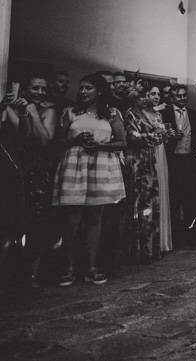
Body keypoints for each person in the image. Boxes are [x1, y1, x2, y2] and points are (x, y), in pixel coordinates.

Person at [52, 73, 127, 286]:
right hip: (75, 164)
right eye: (81, 88)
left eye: (88, 88)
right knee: (72, 218)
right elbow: (57, 142)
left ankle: (91, 267)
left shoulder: (112, 114)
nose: (83, 91)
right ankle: (68, 268)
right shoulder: (70, 112)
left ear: (100, 91)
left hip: (102, 164)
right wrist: (74, 140)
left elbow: (122, 142)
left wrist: (100, 145)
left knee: (96, 217)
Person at [2, 76, 58, 288]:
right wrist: (18, 110)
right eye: (35, 87)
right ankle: (10, 275)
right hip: (13, 169)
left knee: (37, 223)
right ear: (25, 89)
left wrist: (34, 112)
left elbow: (43, 141)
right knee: (12, 221)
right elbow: (21, 137)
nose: (40, 92)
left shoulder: (49, 111)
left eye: (44, 88)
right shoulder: (12, 108)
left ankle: (32, 276)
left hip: (38, 172)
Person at [123, 83, 164, 263]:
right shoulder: (128, 114)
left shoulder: (147, 114)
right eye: (142, 96)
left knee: (150, 201)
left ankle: (150, 248)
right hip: (135, 161)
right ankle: (136, 250)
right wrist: (151, 137)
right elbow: (132, 136)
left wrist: (160, 135)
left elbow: (155, 136)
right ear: (134, 98)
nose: (146, 99)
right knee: (138, 201)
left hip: (149, 159)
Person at [162, 84, 196, 244]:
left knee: (191, 198)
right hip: (172, 160)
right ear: (172, 97)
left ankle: (190, 233)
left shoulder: (194, 114)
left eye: (184, 95)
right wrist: (171, 136)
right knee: (173, 197)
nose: (182, 98)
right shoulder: (163, 114)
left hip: (190, 161)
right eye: (178, 96)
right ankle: (174, 235)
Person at [145, 85, 173, 253]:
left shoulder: (159, 115)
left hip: (160, 152)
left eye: (158, 93)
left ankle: (162, 240)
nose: (156, 96)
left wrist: (166, 136)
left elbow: (163, 138)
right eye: (152, 93)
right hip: (148, 153)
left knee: (161, 191)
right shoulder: (138, 115)